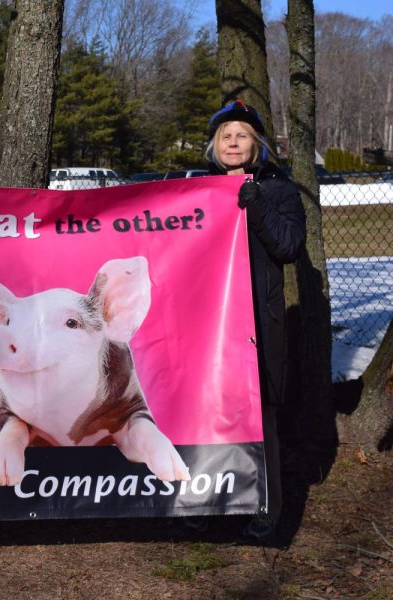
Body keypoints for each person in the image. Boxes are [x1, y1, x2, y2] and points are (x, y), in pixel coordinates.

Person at [206, 99, 306, 542]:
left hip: (258, 323)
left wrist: (257, 204)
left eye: (241, 135)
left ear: (256, 144)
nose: (233, 142)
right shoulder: (196, 189)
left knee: (259, 416)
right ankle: (208, 501)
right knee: (206, 411)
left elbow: (288, 246)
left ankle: (267, 507)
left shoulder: (279, 189)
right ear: (214, 145)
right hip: (208, 323)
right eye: (225, 135)